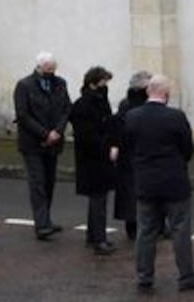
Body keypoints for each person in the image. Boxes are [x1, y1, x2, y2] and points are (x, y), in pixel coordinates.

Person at [123, 75, 194, 292]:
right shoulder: (176, 117)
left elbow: (129, 147)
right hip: (174, 181)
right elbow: (187, 149)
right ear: (166, 93)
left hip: (146, 182)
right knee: (180, 230)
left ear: (148, 92)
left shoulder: (132, 117)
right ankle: (186, 275)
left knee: (146, 232)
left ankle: (144, 277)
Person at [13, 51, 72, 240]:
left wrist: (58, 131)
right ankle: (42, 224)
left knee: (49, 181)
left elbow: (66, 109)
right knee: (37, 182)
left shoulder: (60, 84)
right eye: (47, 69)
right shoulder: (24, 86)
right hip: (33, 142)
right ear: (39, 67)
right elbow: (23, 115)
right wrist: (45, 133)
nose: (51, 72)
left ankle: (46, 217)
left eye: (53, 69)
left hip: (54, 141)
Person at [70, 66, 119, 255]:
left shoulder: (99, 101)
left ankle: (94, 235)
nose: (105, 86)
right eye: (102, 83)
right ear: (92, 84)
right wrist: (107, 147)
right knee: (98, 198)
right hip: (92, 157)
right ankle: (99, 238)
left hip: (100, 155)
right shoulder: (84, 106)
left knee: (98, 198)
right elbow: (87, 135)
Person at [113, 70, 151, 240]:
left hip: (130, 154)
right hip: (133, 154)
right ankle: (134, 225)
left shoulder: (126, 104)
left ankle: (135, 225)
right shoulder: (132, 106)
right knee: (133, 191)